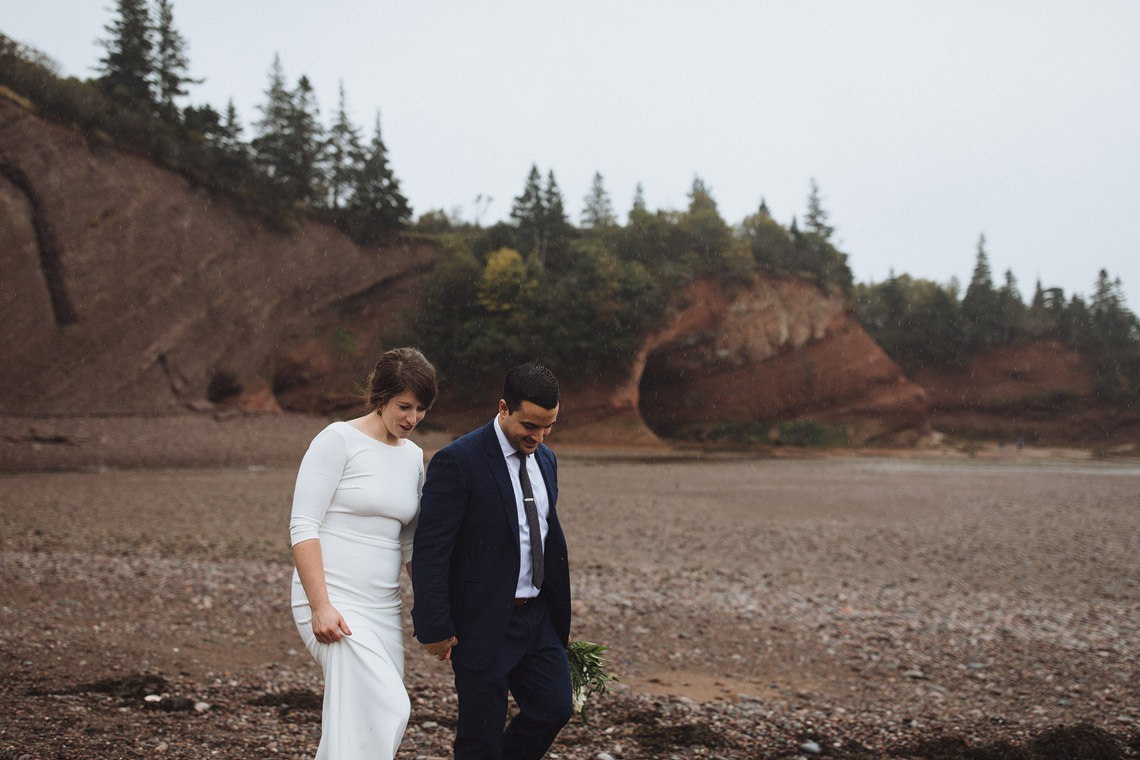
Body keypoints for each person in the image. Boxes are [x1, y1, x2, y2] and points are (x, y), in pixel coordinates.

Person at [412, 363, 573, 760]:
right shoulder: (457, 461)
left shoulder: (547, 460)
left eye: (547, 427)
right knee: (479, 735)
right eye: (530, 426)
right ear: (504, 407)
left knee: (554, 707)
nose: (538, 436)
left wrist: (559, 615)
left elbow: (547, 534)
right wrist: (434, 626)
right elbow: (431, 549)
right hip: (480, 621)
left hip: (538, 617)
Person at [289, 347, 438, 760]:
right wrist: (321, 606)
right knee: (390, 706)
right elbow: (303, 526)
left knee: (364, 722)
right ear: (380, 397)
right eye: (404, 406)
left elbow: (409, 542)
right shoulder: (337, 440)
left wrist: (433, 609)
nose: (412, 418)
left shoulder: (412, 457)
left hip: (383, 609)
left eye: (421, 409)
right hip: (331, 600)